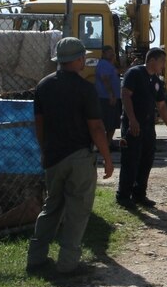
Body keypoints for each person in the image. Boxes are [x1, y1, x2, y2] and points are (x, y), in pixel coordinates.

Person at [27, 37, 116, 275]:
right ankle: (68, 263)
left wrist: (46, 149)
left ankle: (36, 257)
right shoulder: (85, 89)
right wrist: (107, 158)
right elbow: (96, 128)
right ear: (78, 59)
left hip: (54, 156)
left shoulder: (43, 86)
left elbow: (39, 124)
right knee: (77, 209)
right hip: (79, 157)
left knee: (51, 207)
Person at [118, 47, 167, 209]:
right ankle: (123, 196)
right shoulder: (135, 74)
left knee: (146, 160)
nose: (164, 65)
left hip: (148, 127)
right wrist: (132, 120)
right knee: (130, 161)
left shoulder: (156, 81)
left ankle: (139, 195)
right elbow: (125, 95)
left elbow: (162, 106)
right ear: (152, 61)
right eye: (162, 61)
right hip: (133, 126)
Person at [95, 45, 121, 149]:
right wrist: (111, 94)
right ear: (103, 54)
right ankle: (103, 145)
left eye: (113, 52)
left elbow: (118, 72)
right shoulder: (104, 64)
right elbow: (105, 79)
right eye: (109, 52)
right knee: (108, 123)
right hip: (106, 99)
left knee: (112, 123)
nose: (112, 54)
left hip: (111, 98)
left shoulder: (110, 65)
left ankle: (107, 143)